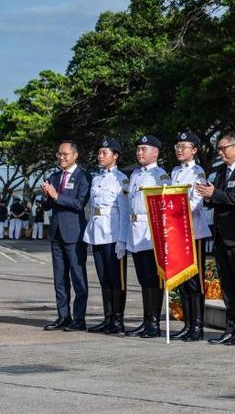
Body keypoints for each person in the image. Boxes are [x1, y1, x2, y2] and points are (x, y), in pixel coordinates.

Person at [196, 133, 235, 346]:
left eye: (224, 148)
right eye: (218, 149)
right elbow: (220, 198)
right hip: (222, 236)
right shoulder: (220, 172)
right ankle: (230, 327)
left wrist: (216, 195)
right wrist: (208, 197)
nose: (220, 153)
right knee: (227, 287)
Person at [41, 141, 91, 331]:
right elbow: (46, 206)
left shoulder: (84, 177)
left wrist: (56, 196)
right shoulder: (54, 176)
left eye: (65, 154)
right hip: (56, 234)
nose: (61, 157)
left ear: (75, 155)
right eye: (59, 154)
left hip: (74, 234)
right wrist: (46, 196)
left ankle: (79, 318)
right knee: (59, 278)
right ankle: (63, 316)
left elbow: (79, 204)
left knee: (78, 277)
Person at [125, 135, 170, 339]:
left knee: (153, 279)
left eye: (144, 149)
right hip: (135, 230)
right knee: (143, 279)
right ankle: (146, 320)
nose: (139, 152)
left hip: (151, 230)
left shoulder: (160, 176)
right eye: (138, 149)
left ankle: (154, 322)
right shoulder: (134, 174)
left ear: (155, 153)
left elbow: (165, 206)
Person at [83, 139, 130, 334]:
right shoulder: (96, 179)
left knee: (116, 279)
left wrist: (122, 238)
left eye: (104, 152)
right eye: (99, 152)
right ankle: (107, 318)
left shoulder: (122, 180)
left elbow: (126, 211)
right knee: (104, 279)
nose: (100, 156)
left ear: (115, 155)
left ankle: (118, 320)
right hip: (97, 234)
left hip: (113, 234)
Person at [169, 132, 211, 342]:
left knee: (195, 282)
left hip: (194, 231)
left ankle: (198, 326)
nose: (179, 150)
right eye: (178, 146)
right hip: (178, 232)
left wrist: (179, 211)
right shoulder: (175, 171)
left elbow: (198, 201)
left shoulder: (198, 172)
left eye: (184, 146)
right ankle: (187, 325)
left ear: (194, 150)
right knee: (183, 281)